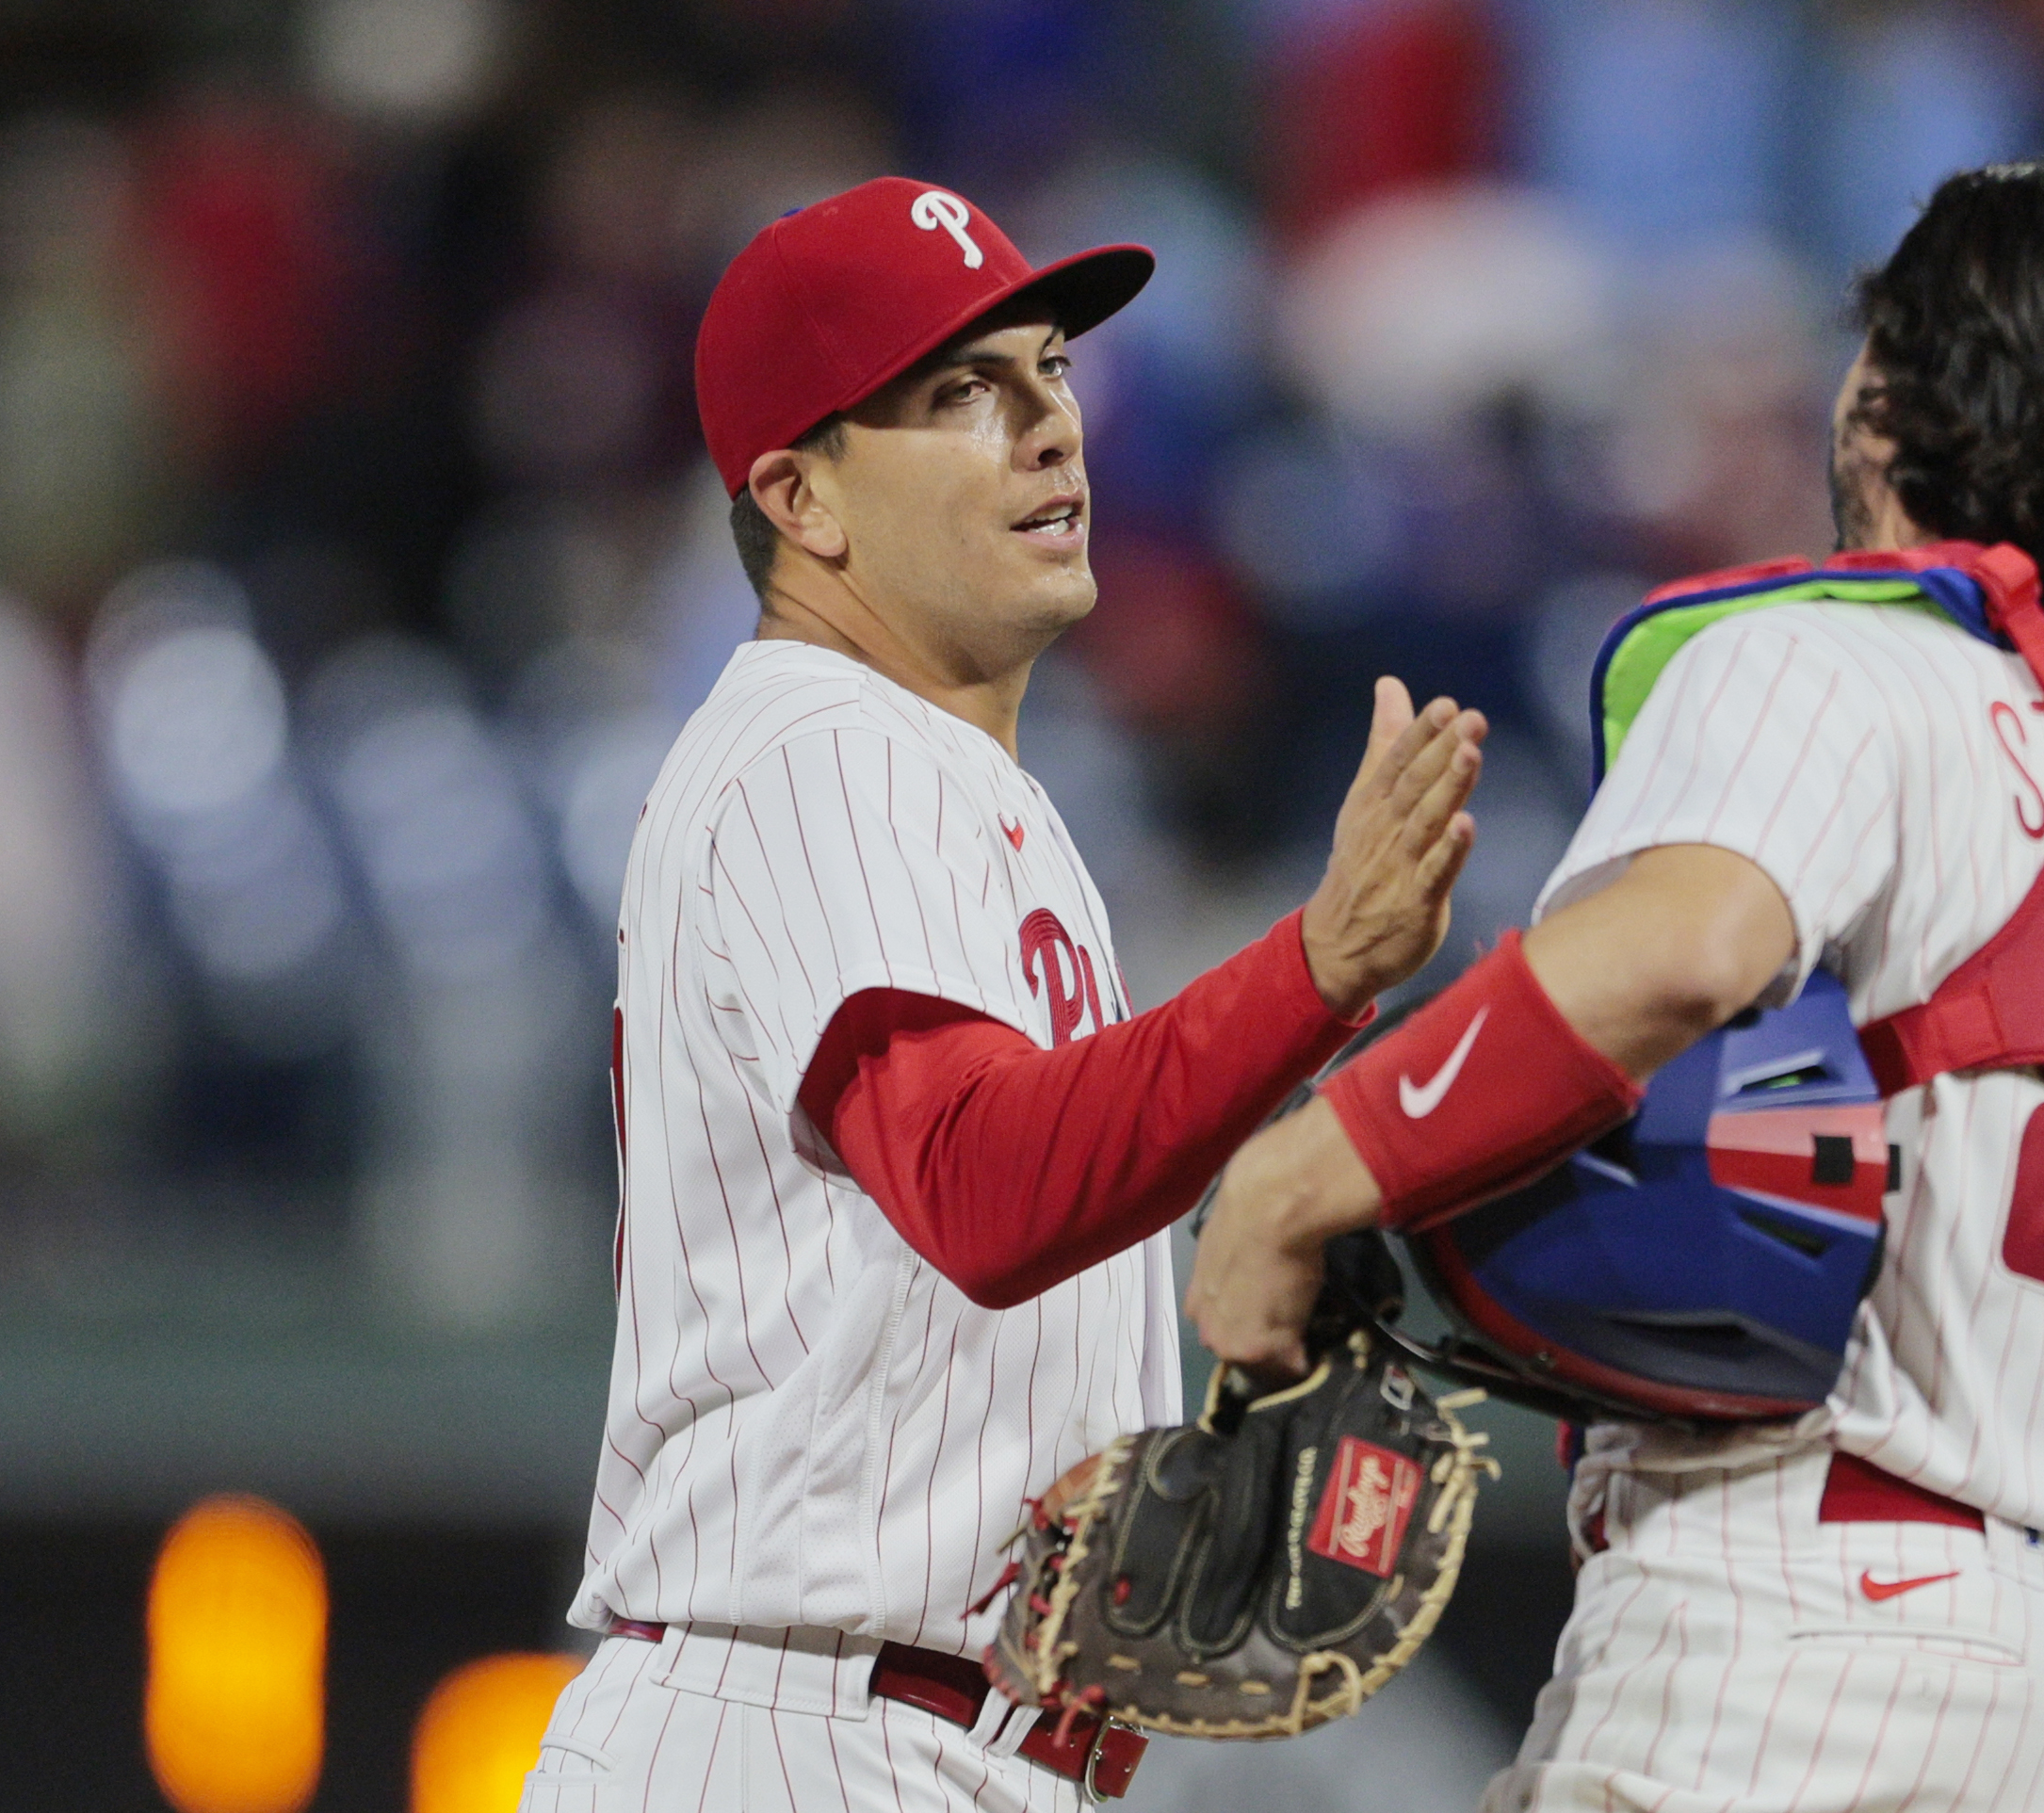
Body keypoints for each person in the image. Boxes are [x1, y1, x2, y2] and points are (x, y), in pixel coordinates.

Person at [1189, 159, 2044, 1811]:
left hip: (1786, 1623)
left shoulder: (1831, 661)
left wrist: (1296, 1177)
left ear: (1894, 400)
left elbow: (1689, 947)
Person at [520, 175, 1487, 1813]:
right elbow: (981, 1182)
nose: (1052, 425)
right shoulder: (819, 747)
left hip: (937, 1733)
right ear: (802, 501)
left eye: (1049, 369)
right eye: (964, 392)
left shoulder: (969, 783)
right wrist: (1314, 970)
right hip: (802, 1733)